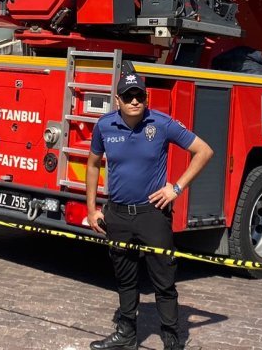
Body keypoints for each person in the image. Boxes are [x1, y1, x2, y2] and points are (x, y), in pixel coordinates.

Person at [86, 62, 214, 350]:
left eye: (139, 96)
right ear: (117, 99)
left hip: (152, 216)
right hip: (117, 214)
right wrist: (92, 208)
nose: (134, 101)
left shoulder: (161, 123)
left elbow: (203, 151)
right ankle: (126, 334)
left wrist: (176, 188)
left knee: (163, 280)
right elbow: (93, 165)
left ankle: (172, 339)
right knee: (125, 278)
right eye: (128, 96)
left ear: (147, 98)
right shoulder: (104, 126)